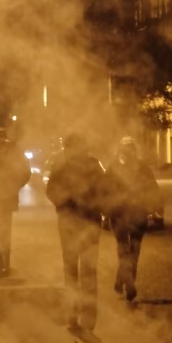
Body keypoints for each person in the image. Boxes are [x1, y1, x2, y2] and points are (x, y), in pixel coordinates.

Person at [46, 133, 106, 332]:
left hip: (83, 222)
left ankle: (84, 313)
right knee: (77, 268)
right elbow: (52, 190)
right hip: (75, 222)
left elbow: (104, 189)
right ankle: (78, 313)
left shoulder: (85, 165)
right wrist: (65, 204)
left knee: (81, 269)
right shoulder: (64, 166)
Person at [105, 137, 162, 302]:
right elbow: (153, 189)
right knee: (134, 249)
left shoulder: (113, 167)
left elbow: (104, 191)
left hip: (119, 214)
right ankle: (127, 280)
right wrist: (156, 210)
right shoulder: (143, 168)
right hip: (137, 213)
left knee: (123, 248)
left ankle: (124, 279)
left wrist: (105, 212)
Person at [0, 127, 31, 276]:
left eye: (0, 137)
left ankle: (4, 265)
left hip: (4, 198)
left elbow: (25, 172)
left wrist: (14, 186)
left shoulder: (13, 151)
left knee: (3, 233)